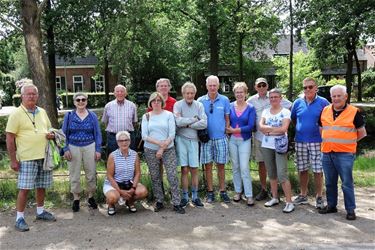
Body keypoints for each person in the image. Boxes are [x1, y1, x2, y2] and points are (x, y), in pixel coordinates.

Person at [6, 83, 56, 232]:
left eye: (34, 94)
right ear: (22, 96)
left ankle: (40, 211)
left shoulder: (42, 111)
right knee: (24, 188)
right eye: (28, 94)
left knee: (41, 186)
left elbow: (48, 129)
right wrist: (13, 159)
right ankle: (19, 218)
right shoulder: (16, 114)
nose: (31, 96)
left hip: (43, 156)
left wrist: (51, 135)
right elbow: (9, 138)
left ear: (38, 96)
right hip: (27, 157)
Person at [318, 85, 366, 220]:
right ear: (331, 97)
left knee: (346, 183)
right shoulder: (325, 110)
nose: (336, 98)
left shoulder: (354, 112)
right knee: (330, 182)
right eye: (334, 96)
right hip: (327, 152)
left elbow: (362, 133)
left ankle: (350, 210)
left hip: (345, 154)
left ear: (346, 97)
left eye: (339, 96)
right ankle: (331, 206)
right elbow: (321, 129)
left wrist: (347, 141)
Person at [247, 78, 291, 201]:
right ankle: (264, 189)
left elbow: (290, 106)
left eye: (263, 85)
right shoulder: (251, 100)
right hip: (260, 138)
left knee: (280, 168)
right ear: (255, 87)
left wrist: (277, 127)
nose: (261, 87)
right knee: (262, 164)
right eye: (259, 85)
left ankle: (279, 194)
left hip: (278, 140)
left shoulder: (273, 96)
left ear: (267, 86)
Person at [142, 92, 185, 214]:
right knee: (155, 176)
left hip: (168, 148)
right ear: (150, 103)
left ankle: (176, 202)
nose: (156, 102)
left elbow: (172, 134)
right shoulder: (146, 116)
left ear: (162, 102)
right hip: (150, 149)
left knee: (172, 175)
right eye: (154, 100)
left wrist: (162, 147)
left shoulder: (169, 115)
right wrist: (159, 144)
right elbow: (144, 135)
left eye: (158, 100)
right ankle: (159, 200)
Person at [291, 78, 329, 209]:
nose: (307, 90)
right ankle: (303, 195)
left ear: (316, 88)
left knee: (318, 170)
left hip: (317, 141)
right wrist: (302, 129)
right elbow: (294, 119)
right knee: (302, 169)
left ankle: (319, 196)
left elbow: (329, 120)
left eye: (310, 87)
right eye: (305, 87)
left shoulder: (323, 102)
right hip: (300, 140)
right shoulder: (297, 102)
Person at [61, 92, 102, 212]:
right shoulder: (69, 116)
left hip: (90, 146)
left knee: (91, 173)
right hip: (73, 147)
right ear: (74, 102)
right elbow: (63, 134)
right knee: (74, 174)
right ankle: (76, 198)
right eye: (78, 100)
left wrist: (98, 149)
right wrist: (65, 148)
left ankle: (90, 197)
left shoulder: (92, 116)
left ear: (86, 101)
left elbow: (98, 133)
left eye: (83, 99)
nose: (81, 102)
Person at [259, 88, 294, 213]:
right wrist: (274, 129)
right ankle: (275, 197)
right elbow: (261, 127)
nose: (273, 99)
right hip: (267, 145)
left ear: (280, 98)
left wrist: (269, 130)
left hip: (280, 145)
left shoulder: (285, 112)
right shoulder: (265, 111)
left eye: (276, 97)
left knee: (282, 173)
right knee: (272, 173)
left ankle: (289, 202)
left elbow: (284, 128)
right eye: (271, 97)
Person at [198, 75, 231, 203]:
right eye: (210, 85)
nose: (212, 87)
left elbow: (227, 118)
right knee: (208, 166)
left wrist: (226, 131)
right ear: (206, 86)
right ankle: (210, 192)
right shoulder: (200, 100)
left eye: (215, 85)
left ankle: (223, 191)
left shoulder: (224, 100)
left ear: (218, 86)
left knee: (221, 166)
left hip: (221, 138)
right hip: (206, 139)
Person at [174, 82, 207, 208]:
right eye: (187, 93)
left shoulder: (199, 105)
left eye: (192, 93)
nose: (189, 95)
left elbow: (204, 123)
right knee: (184, 169)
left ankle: (195, 196)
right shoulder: (178, 105)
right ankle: (185, 196)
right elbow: (177, 122)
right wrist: (194, 120)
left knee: (194, 169)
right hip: (181, 139)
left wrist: (186, 124)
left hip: (194, 140)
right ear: (183, 94)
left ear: (195, 93)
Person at [103, 131, 148, 216]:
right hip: (114, 184)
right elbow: (109, 176)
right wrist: (120, 191)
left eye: (126, 140)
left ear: (130, 141)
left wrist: (133, 188)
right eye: (121, 141)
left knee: (143, 191)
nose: (124, 142)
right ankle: (111, 204)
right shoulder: (112, 156)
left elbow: (138, 173)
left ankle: (129, 202)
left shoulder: (135, 155)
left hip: (129, 183)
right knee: (113, 198)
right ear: (117, 143)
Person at [226, 82, 256, 206]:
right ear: (234, 93)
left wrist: (235, 130)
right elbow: (226, 120)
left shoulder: (250, 108)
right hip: (232, 140)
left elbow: (251, 126)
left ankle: (249, 195)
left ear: (246, 93)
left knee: (244, 167)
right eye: (237, 92)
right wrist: (229, 130)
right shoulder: (230, 106)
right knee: (235, 166)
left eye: (241, 92)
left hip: (244, 140)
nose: (239, 94)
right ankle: (238, 191)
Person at [102, 84, 137, 156]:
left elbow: (134, 122)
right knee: (113, 158)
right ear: (114, 93)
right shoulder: (108, 106)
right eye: (117, 91)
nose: (120, 93)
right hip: (113, 137)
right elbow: (106, 122)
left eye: (122, 91)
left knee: (130, 158)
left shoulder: (132, 105)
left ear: (126, 93)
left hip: (128, 137)